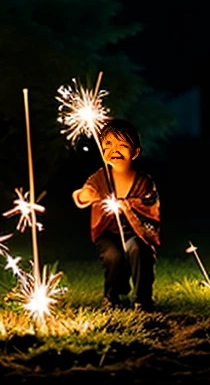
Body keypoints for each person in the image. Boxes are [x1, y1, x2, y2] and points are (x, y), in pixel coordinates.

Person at [73, 119, 161, 312]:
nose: (115, 150)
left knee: (139, 251)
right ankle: (114, 295)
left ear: (135, 152)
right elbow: (82, 194)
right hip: (109, 233)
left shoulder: (143, 181)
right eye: (108, 145)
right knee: (113, 256)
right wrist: (85, 195)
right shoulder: (99, 177)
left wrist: (128, 205)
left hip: (136, 233)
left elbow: (149, 202)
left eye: (122, 146)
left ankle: (142, 298)